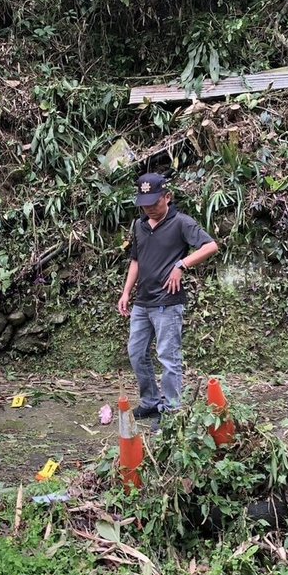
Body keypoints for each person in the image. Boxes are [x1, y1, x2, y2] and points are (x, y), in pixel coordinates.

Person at [117, 173, 218, 427]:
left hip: (168, 303)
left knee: (168, 357)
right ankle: (151, 401)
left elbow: (210, 246)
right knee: (136, 353)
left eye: (155, 202)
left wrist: (181, 265)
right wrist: (126, 292)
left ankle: (172, 411)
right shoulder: (139, 226)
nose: (149, 207)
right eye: (145, 203)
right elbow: (136, 261)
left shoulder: (181, 223)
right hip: (142, 302)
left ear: (168, 197)